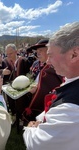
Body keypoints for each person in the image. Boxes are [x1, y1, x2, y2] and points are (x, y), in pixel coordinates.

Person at [23, 22, 79, 150]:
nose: (48, 61)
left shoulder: (73, 108)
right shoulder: (71, 79)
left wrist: (30, 128)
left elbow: (37, 144)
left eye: (51, 55)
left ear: (74, 54)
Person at [22, 39, 63, 122]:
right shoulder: (35, 64)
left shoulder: (57, 66)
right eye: (37, 51)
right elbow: (31, 78)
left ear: (49, 51)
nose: (38, 53)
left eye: (41, 50)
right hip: (32, 97)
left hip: (50, 103)